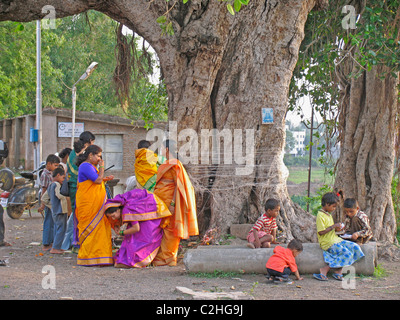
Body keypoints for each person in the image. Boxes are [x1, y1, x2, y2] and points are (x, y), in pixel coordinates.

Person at [152, 140, 198, 266]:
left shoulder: (175, 164)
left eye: (161, 149)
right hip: (160, 201)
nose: (161, 152)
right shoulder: (166, 164)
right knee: (163, 228)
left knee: (171, 229)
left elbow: (179, 186)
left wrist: (173, 204)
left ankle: (169, 258)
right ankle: (162, 257)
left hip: (170, 202)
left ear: (167, 149)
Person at [104, 189, 172, 268]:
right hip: (150, 212)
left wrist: (122, 233)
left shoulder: (128, 210)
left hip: (150, 219)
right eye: (110, 217)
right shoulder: (125, 208)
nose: (113, 219)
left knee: (138, 240)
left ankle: (137, 261)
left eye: (113, 216)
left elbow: (136, 228)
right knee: (130, 240)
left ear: (118, 210)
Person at [75, 144, 114, 266]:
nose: (100, 159)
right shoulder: (85, 166)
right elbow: (97, 181)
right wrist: (102, 168)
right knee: (91, 230)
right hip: (89, 205)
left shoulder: (90, 166)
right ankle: (88, 257)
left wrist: (105, 179)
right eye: (98, 156)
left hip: (96, 205)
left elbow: (95, 180)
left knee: (100, 230)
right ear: (90, 155)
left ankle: (101, 257)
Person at [313, 192, 365, 281]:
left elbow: (330, 230)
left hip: (335, 239)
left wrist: (338, 229)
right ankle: (325, 269)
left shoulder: (328, 215)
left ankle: (338, 271)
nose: (334, 209)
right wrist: (333, 226)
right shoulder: (320, 215)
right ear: (327, 204)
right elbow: (321, 232)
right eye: (333, 206)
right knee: (347, 254)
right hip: (327, 242)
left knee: (355, 247)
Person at [62, 131, 95, 252]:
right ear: (88, 142)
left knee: (74, 215)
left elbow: (66, 170)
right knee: (78, 216)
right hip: (79, 187)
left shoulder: (71, 152)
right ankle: (72, 243)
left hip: (72, 185)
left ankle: (68, 243)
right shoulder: (84, 155)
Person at [41, 167, 68, 254]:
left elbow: (44, 198)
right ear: (58, 175)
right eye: (63, 178)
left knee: (58, 228)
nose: (63, 180)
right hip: (60, 210)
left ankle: (57, 246)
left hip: (55, 211)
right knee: (61, 229)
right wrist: (66, 195)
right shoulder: (57, 184)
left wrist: (51, 206)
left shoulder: (50, 186)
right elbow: (59, 195)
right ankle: (55, 248)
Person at [38, 154, 60, 251]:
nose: (56, 168)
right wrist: (43, 204)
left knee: (53, 222)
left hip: (54, 202)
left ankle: (51, 242)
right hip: (48, 202)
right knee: (48, 222)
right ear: (49, 164)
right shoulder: (45, 174)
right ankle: (46, 243)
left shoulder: (51, 173)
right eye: (55, 165)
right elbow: (44, 189)